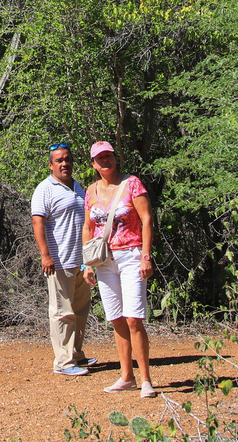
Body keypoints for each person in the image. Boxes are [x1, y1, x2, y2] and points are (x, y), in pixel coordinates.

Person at [82, 140, 156, 397]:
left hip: (131, 255)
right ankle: (127, 376)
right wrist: (86, 264)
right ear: (93, 164)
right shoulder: (91, 191)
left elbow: (146, 219)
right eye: (99, 158)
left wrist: (146, 256)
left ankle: (145, 379)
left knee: (134, 318)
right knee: (116, 319)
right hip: (104, 260)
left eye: (108, 156)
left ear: (115, 158)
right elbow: (88, 228)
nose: (105, 161)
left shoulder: (132, 183)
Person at [31, 142, 96, 375]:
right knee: (62, 312)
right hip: (59, 261)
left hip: (81, 261)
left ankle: (76, 355)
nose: (64, 163)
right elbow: (38, 222)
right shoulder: (44, 189)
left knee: (80, 310)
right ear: (51, 165)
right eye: (59, 160)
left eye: (67, 159)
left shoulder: (78, 188)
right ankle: (63, 362)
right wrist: (45, 255)